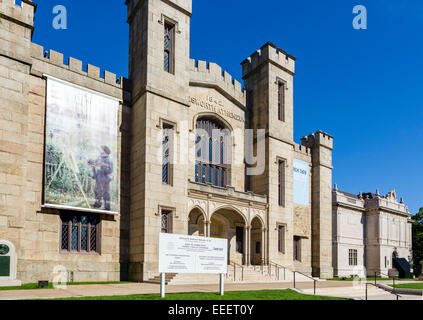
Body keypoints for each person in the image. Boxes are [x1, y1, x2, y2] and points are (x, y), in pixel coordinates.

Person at [89, 146, 113, 211]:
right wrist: (90, 161)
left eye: (101, 149)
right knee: (97, 191)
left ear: (104, 150)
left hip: (105, 179)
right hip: (98, 178)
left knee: (106, 193)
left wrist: (101, 169)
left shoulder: (109, 160)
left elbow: (110, 170)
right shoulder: (99, 157)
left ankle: (107, 207)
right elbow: (94, 162)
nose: (100, 150)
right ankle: (97, 204)